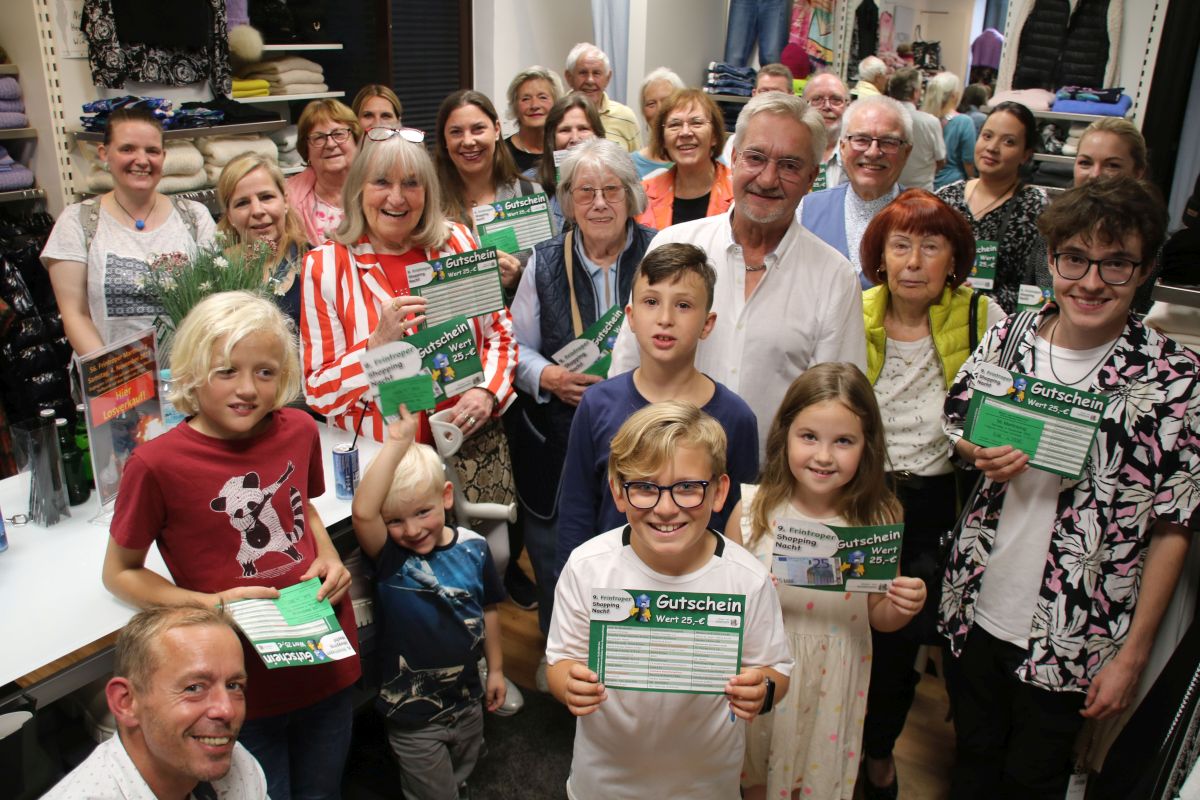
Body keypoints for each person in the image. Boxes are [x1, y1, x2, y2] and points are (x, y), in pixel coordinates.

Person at [941, 177, 1199, 798]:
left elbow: (1174, 525)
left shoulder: (1174, 378)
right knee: (972, 762)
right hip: (975, 602)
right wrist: (979, 452)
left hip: (1077, 630)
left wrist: (1132, 657)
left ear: (1145, 271)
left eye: (1116, 264)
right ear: (1052, 259)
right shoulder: (1012, 335)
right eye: (1074, 258)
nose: (1090, 281)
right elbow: (958, 419)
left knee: (1034, 779)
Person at [103, 291, 359, 800]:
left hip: (323, 659)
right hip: (235, 686)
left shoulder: (300, 428)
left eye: (265, 373)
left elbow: (301, 507)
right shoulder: (156, 465)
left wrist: (328, 555)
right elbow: (121, 572)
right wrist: (210, 606)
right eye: (226, 372)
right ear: (194, 373)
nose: (247, 389)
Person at [546, 401, 794, 800]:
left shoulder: (745, 579)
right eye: (644, 486)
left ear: (719, 492)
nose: (665, 508)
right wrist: (568, 684)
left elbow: (776, 670)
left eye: (687, 487)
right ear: (618, 491)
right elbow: (561, 659)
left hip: (706, 785)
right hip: (604, 782)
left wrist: (762, 688)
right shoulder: (588, 568)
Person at [609, 92, 867, 456]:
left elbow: (837, 407)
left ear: (812, 178)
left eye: (790, 165)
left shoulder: (834, 277)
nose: (767, 178)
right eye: (756, 158)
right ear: (732, 159)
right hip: (663, 484)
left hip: (771, 493)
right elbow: (627, 364)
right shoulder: (675, 243)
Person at [856, 189, 1005, 798]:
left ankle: (877, 751)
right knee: (847, 629)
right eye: (901, 246)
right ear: (881, 256)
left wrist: (982, 443)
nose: (914, 261)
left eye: (931, 246)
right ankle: (832, 739)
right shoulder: (853, 306)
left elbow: (999, 407)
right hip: (860, 497)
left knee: (902, 642)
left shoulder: (982, 316)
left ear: (954, 259)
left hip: (933, 503)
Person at [729, 363, 927, 800]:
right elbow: (729, 606)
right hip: (764, 672)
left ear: (867, 445)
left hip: (835, 678)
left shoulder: (879, 519)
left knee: (815, 781)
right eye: (809, 437)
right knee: (756, 779)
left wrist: (901, 603)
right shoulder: (751, 513)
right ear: (785, 436)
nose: (823, 455)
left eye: (843, 441)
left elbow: (882, 617)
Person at [509, 137, 654, 633]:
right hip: (560, 438)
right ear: (567, 201)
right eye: (584, 191)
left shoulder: (665, 253)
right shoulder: (543, 261)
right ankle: (562, 660)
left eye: (611, 190)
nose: (598, 203)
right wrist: (546, 375)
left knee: (639, 561)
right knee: (557, 563)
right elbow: (515, 346)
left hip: (647, 436)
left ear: (632, 195)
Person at [301, 127, 515, 446]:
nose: (397, 197)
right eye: (382, 182)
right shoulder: (325, 267)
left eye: (411, 183)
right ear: (359, 188)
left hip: (467, 445)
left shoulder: (457, 241)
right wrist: (376, 345)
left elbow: (500, 333)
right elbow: (319, 392)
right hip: (381, 458)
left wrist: (487, 391)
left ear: (427, 191)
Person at [556, 242, 759, 573]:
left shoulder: (736, 417)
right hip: (612, 594)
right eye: (651, 302)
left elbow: (741, 524)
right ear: (632, 318)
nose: (665, 319)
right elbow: (576, 514)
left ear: (707, 324)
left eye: (682, 305)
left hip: (702, 597)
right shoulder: (597, 405)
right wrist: (569, 592)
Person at [351, 404, 507, 800]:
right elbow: (363, 511)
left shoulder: (474, 548)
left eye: (423, 511)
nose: (413, 529)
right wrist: (398, 443)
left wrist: (498, 671)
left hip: (468, 696)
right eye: (396, 521)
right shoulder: (392, 559)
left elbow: (489, 609)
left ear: (447, 497)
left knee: (466, 764)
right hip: (412, 714)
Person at [43, 606, 267, 800]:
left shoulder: (236, 761)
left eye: (234, 686)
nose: (226, 710)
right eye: (194, 688)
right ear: (126, 702)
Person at [43, 105, 216, 354]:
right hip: (112, 378)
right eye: (127, 149)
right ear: (104, 154)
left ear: (163, 157)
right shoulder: (78, 221)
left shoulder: (195, 217)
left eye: (152, 151)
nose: (142, 160)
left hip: (184, 378)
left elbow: (210, 303)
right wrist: (115, 377)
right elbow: (75, 314)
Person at [936, 101, 1050, 313]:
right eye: (987, 136)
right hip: (942, 321)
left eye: (1008, 141)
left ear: (1025, 154)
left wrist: (977, 299)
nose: (992, 148)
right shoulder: (946, 198)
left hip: (1001, 329)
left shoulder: (1036, 208)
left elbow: (1042, 288)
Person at [435, 90, 545, 294]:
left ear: (496, 130)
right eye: (456, 132)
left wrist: (517, 277)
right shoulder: (428, 203)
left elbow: (549, 274)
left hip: (517, 322)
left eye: (478, 129)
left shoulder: (529, 193)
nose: (468, 141)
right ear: (444, 140)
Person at [799, 95, 913, 288]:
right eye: (861, 139)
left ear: (907, 152)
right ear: (842, 148)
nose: (873, 152)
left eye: (888, 142)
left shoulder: (925, 217)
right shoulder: (804, 210)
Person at [215, 153, 311, 326]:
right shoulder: (212, 272)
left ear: (285, 201)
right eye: (242, 203)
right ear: (229, 215)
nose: (257, 210)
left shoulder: (316, 261)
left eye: (266, 197)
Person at [636, 89, 733, 230]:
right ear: (663, 140)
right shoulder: (643, 195)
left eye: (696, 123)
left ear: (714, 136)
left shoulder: (738, 192)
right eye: (675, 125)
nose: (685, 132)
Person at [287, 99, 362, 246]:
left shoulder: (380, 188)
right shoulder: (289, 199)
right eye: (319, 137)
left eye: (339, 134)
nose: (331, 144)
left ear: (356, 140)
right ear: (306, 149)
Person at [533, 94, 606, 232]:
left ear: (598, 134)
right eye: (565, 130)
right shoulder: (529, 186)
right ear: (551, 139)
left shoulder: (616, 181)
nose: (575, 138)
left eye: (583, 129)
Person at [563, 42, 640, 152]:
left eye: (596, 73)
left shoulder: (626, 118)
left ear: (608, 78)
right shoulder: (556, 116)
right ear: (569, 77)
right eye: (583, 73)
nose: (590, 80)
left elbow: (636, 166)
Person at [886, 67, 945, 191]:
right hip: (920, 193)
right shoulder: (930, 122)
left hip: (885, 191)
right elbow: (940, 160)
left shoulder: (878, 118)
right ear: (915, 92)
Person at [504, 66, 564, 174]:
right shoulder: (501, 154)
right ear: (515, 106)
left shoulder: (565, 148)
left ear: (556, 103)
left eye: (542, 97)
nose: (534, 105)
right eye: (526, 99)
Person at [924, 71, 977, 189]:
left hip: (925, 182)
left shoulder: (922, 120)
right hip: (952, 184)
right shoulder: (964, 122)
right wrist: (973, 180)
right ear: (954, 96)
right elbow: (968, 161)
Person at [801, 71, 852, 189]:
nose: (827, 106)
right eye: (817, 99)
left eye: (836, 99)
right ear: (803, 105)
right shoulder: (789, 151)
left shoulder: (859, 155)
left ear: (848, 106)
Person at [632, 67, 685, 178]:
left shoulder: (702, 159)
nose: (660, 110)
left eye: (667, 101)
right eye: (651, 104)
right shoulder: (629, 165)